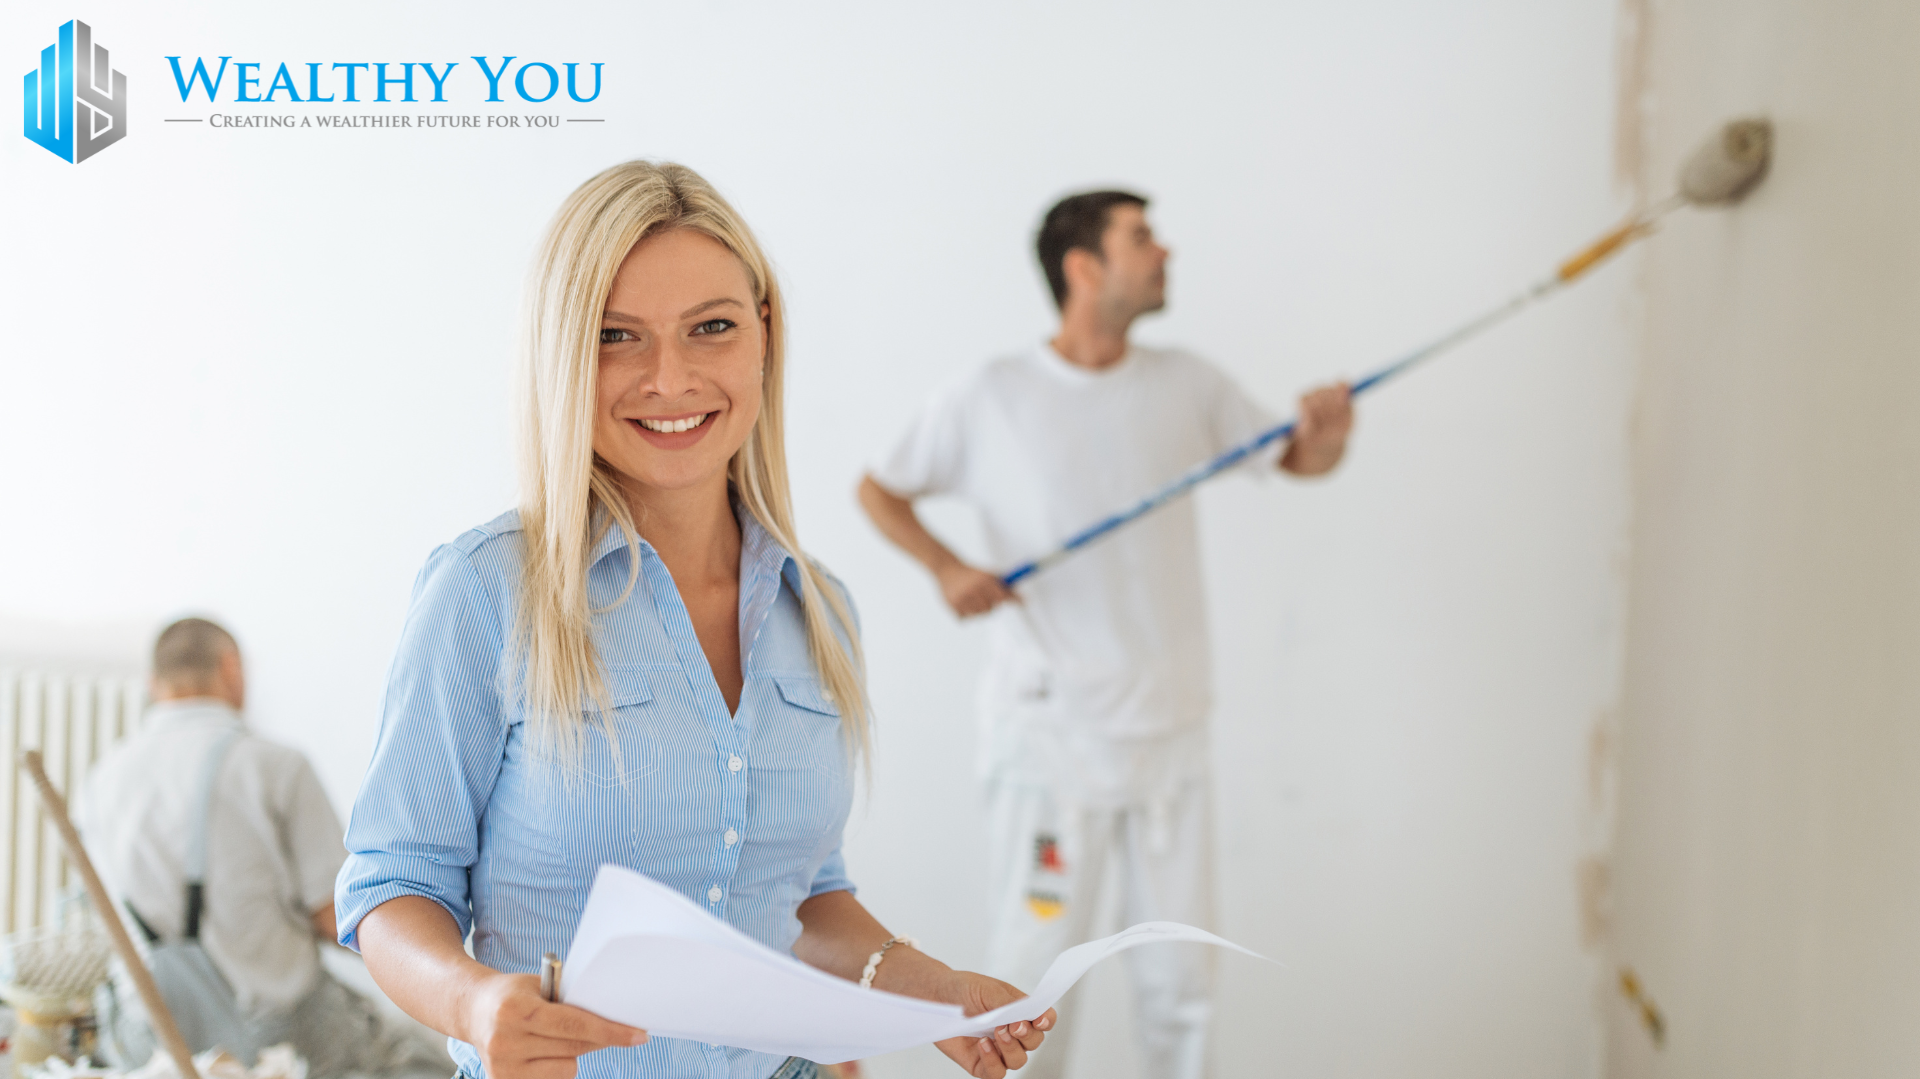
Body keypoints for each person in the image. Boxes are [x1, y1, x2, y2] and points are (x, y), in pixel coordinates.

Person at [335, 161, 1055, 1079]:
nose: (668, 378)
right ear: (563, 354)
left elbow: (797, 898)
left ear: (763, 334)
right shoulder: (485, 591)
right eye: (616, 336)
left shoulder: (819, 607)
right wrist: (475, 1001)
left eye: (710, 328)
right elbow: (390, 885)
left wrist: (929, 987)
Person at [858, 190, 1355, 1079]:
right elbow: (880, 489)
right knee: (1026, 989)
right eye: (1142, 238)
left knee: (1182, 984)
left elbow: (1296, 457)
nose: (1164, 252)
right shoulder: (991, 394)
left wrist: (1328, 436)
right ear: (1084, 267)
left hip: (1171, 734)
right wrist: (946, 566)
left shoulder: (1188, 384)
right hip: (1050, 739)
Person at [79, 616, 447, 1077]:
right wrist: (439, 954)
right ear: (231, 669)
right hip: (276, 1039)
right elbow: (337, 917)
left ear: (155, 685)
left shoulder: (101, 780)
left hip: (149, 1039)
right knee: (427, 1055)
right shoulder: (275, 766)